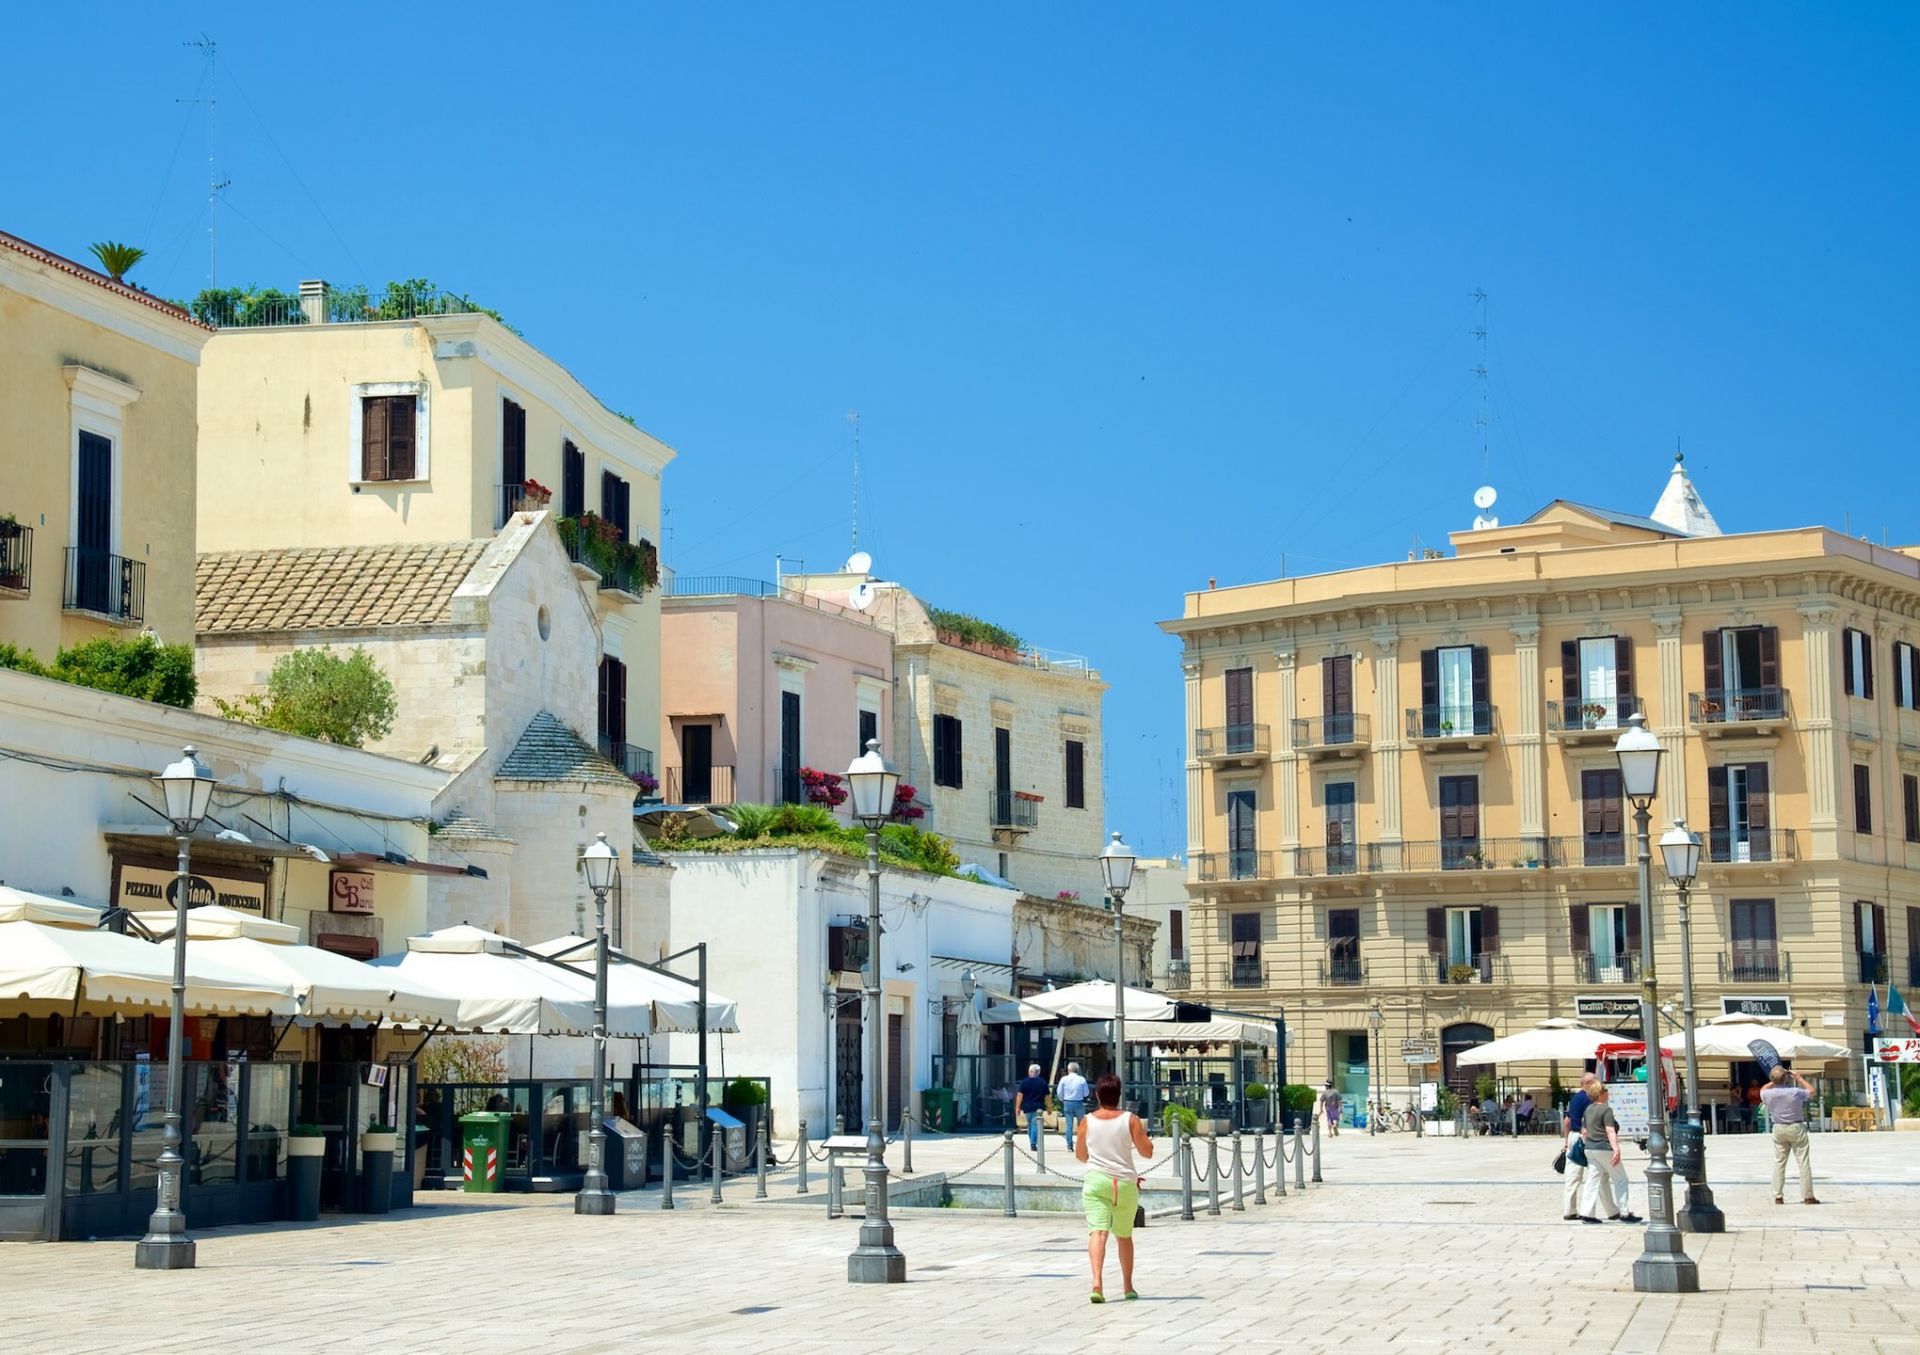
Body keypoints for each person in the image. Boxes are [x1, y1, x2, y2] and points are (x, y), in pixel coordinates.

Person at [1075, 1072, 1152, 1303]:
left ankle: (1097, 1283)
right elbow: (1147, 1152)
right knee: (1124, 1236)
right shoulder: (1130, 1119)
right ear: (1119, 1095)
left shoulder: (1087, 1121)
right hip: (1125, 1184)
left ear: (1097, 1095)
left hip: (1097, 1181)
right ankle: (1128, 1286)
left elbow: (1081, 1155)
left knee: (1098, 1232)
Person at [1578, 1085, 1642, 1224]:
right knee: (1620, 1179)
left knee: (1592, 1180)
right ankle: (1624, 1212)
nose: (1608, 1093)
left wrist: (1587, 1143)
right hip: (1604, 1148)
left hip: (1590, 1148)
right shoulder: (1606, 1109)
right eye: (1606, 1091)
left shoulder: (1588, 1109)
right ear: (1601, 1093)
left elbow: (1584, 1131)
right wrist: (1616, 1149)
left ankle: (1586, 1213)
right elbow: (1610, 1130)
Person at [1761, 1064, 1820, 1205]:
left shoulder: (1768, 1094)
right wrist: (1799, 1078)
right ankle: (1808, 1196)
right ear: (1786, 1078)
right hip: (1795, 1127)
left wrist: (1775, 1080)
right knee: (1803, 1162)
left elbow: (1762, 1089)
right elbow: (1812, 1091)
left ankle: (1778, 1195)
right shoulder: (1795, 1092)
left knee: (1779, 1162)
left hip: (1778, 1127)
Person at [1562, 1072, 1598, 1221]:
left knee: (1572, 1175)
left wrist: (1566, 1141)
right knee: (1595, 1173)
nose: (1597, 1084)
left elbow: (1566, 1121)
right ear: (1587, 1084)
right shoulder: (1589, 1099)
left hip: (1572, 1136)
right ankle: (1590, 1211)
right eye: (1595, 1081)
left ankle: (1569, 1210)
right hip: (1584, 1137)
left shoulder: (1575, 1098)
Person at [1056, 1062, 1091, 1150]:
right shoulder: (1081, 1079)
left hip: (1067, 1102)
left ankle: (1069, 1145)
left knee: (1069, 1125)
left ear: (1068, 1070)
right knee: (1081, 1124)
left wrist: (1062, 1099)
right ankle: (1081, 1144)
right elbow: (1086, 1093)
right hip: (1079, 1102)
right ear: (1077, 1070)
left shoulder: (1064, 1079)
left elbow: (1059, 1092)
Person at [1017, 1063, 1049, 1151]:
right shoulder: (1042, 1082)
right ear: (1038, 1072)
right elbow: (1047, 1096)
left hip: (1027, 1107)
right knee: (1035, 1125)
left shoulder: (1024, 1082)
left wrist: (1017, 1107)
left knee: (1030, 1125)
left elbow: (1020, 1095)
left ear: (1030, 1072)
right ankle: (1033, 1143)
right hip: (1038, 1107)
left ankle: (1032, 1141)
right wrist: (1049, 1107)